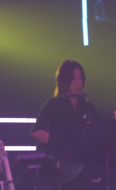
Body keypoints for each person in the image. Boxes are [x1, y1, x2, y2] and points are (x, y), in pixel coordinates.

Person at [30, 60, 97, 189]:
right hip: (57, 167)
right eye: (73, 78)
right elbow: (37, 131)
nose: (78, 82)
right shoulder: (53, 104)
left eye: (81, 78)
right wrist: (60, 143)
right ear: (64, 80)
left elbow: (98, 132)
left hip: (81, 169)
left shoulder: (87, 107)